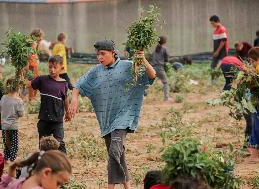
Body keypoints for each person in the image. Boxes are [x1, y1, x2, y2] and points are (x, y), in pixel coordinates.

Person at [70, 39, 156, 189]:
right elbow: (78, 85)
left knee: (114, 151)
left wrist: (143, 59)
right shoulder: (96, 71)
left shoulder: (128, 66)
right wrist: (74, 100)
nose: (100, 57)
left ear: (113, 53)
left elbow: (151, 75)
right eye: (98, 55)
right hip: (106, 120)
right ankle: (128, 187)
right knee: (118, 155)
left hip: (124, 117)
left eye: (103, 54)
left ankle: (110, 187)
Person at [27, 55, 70, 153]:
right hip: (44, 119)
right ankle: (44, 163)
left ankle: (63, 163)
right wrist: (20, 76)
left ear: (61, 67)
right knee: (43, 145)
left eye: (55, 67)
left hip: (57, 120)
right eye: (50, 67)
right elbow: (29, 84)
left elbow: (65, 99)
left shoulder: (64, 83)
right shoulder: (42, 79)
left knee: (59, 143)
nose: (52, 70)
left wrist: (67, 112)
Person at [0, 150, 72, 189]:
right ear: (46, 173)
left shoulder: (18, 183)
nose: (57, 188)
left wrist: (11, 170)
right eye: (58, 183)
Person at [0, 78, 24, 163]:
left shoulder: (3, 97)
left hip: (4, 125)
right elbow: (21, 114)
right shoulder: (19, 101)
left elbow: (0, 109)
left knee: (6, 142)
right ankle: (13, 160)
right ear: (18, 87)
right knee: (14, 144)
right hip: (13, 126)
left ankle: (6, 158)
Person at [247, 47, 259, 162]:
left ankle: (254, 156)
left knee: (256, 127)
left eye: (251, 61)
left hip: (258, 103)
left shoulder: (258, 68)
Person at [209, 15, 228, 82]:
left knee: (218, 67)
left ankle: (216, 80)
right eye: (211, 23)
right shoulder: (215, 31)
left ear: (218, 21)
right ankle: (212, 80)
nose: (212, 25)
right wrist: (215, 51)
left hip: (222, 52)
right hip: (216, 51)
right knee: (213, 65)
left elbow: (223, 41)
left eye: (213, 23)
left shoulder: (222, 29)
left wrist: (217, 51)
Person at [26, 28, 43, 100]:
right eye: (40, 36)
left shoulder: (33, 43)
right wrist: (27, 66)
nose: (41, 38)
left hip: (34, 65)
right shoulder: (33, 43)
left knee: (35, 83)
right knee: (33, 83)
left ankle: (32, 98)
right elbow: (28, 55)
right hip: (32, 66)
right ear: (36, 36)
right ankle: (31, 99)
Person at [150, 36, 169, 101]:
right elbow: (166, 59)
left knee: (147, 82)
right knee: (165, 82)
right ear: (164, 41)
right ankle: (166, 97)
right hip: (160, 68)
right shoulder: (164, 49)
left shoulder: (155, 49)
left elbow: (151, 57)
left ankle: (144, 95)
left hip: (153, 68)